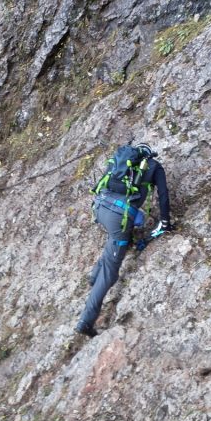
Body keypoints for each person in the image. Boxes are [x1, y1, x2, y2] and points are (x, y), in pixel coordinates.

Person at [75, 143, 172, 337]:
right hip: (118, 218)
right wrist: (166, 222)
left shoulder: (121, 162)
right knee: (110, 274)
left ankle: (94, 276)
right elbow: (163, 195)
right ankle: (85, 321)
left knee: (115, 238)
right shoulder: (154, 167)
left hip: (100, 207)